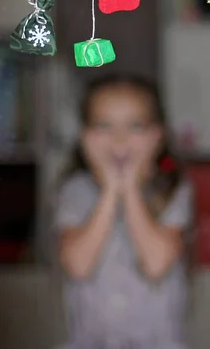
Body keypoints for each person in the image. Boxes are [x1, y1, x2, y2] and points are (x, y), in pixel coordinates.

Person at [55, 75, 193, 349]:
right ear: (85, 137)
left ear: (156, 136)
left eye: (135, 126)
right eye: (104, 126)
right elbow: (79, 265)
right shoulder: (75, 190)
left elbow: (156, 264)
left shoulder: (173, 189)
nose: (119, 139)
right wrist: (109, 190)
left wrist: (129, 187)